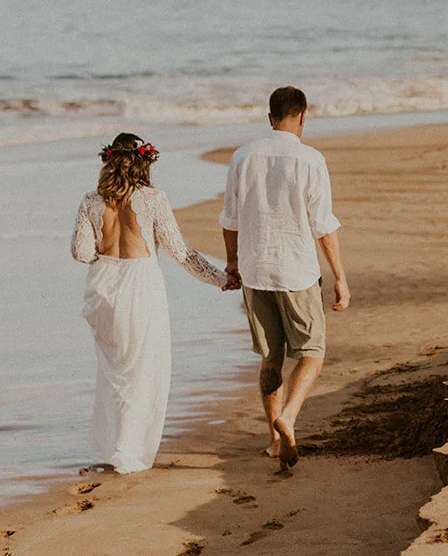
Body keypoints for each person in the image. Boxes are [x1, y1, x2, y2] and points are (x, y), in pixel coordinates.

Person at [71, 133, 235, 474]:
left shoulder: (90, 201)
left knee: (114, 372)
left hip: (103, 291)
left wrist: (106, 249)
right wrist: (221, 278)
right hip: (140, 287)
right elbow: (181, 252)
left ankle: (110, 445)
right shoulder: (153, 199)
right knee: (142, 372)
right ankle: (126, 451)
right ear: (145, 163)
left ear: (109, 161)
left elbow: (81, 253)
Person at [220, 86, 350, 473]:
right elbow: (323, 225)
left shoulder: (243, 156)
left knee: (270, 357)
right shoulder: (310, 159)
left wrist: (232, 264)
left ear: (269, 116)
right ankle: (290, 417)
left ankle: (275, 442)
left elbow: (230, 219)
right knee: (312, 352)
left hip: (255, 269)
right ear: (303, 116)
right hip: (296, 270)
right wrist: (340, 277)